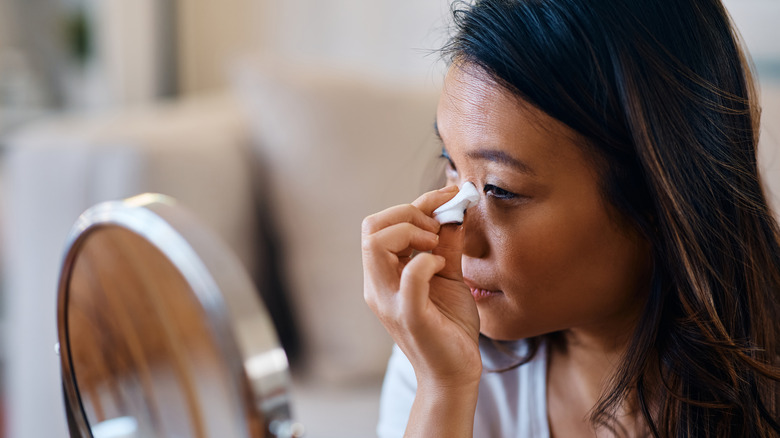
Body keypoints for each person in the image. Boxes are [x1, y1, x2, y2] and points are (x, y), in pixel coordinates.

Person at [361, 0, 780, 436]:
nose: (456, 237)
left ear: (663, 201)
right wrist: (443, 388)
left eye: (500, 188)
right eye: (451, 163)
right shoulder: (439, 354)